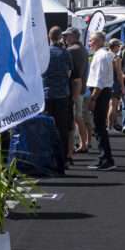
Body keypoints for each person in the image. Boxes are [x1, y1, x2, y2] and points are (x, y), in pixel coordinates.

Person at [42, 26, 73, 167]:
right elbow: (69, 72)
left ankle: (46, 158)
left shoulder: (43, 53)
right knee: (62, 129)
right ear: (60, 37)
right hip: (61, 93)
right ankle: (63, 159)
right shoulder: (65, 53)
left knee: (46, 128)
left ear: (49, 37)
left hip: (46, 94)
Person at [86, 31, 116, 170]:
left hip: (100, 93)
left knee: (99, 127)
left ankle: (106, 160)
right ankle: (104, 158)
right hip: (101, 92)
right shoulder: (102, 55)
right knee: (98, 127)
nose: (89, 43)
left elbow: (99, 81)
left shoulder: (101, 56)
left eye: (91, 40)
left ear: (98, 41)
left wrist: (93, 99)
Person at [64, 26, 90, 158]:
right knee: (78, 117)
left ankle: (81, 144)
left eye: (67, 36)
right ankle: (83, 143)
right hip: (80, 89)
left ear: (73, 37)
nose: (65, 38)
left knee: (76, 118)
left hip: (74, 90)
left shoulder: (72, 50)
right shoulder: (83, 49)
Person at [107, 38, 125, 133]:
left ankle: (110, 125)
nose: (119, 48)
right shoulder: (116, 58)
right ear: (114, 47)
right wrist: (123, 87)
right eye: (118, 46)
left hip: (104, 83)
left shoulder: (103, 55)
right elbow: (119, 73)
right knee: (113, 106)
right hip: (113, 83)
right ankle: (110, 127)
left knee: (108, 106)